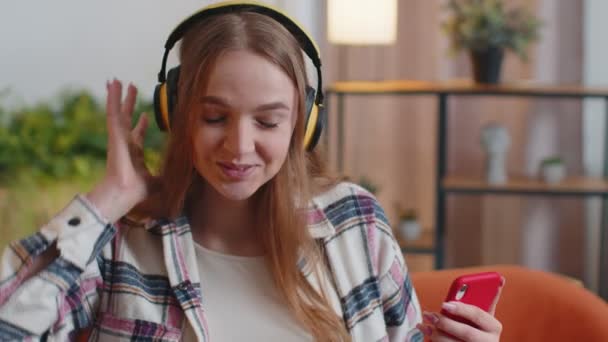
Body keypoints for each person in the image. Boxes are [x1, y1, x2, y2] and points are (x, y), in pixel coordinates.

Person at [0, 2, 504, 341]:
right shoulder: (118, 246)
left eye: (267, 120)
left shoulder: (356, 224)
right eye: (214, 117)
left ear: (304, 125)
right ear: (175, 113)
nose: (239, 147)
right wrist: (109, 199)